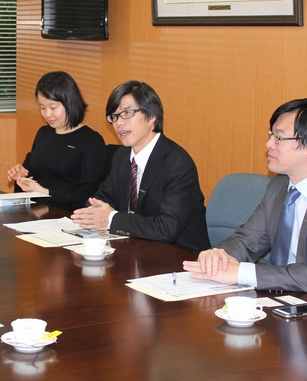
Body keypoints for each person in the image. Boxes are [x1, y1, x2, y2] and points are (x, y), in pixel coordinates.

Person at [183, 99, 307, 315]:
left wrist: (240, 272)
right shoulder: (279, 186)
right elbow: (247, 241)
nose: (269, 144)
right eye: (271, 135)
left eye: (279, 137)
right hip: (282, 301)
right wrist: (218, 255)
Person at [71, 80, 210, 253]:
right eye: (114, 116)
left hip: (179, 257)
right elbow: (101, 199)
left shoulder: (178, 164)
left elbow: (167, 229)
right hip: (136, 250)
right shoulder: (122, 156)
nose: (119, 123)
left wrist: (111, 218)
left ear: (152, 116)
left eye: (127, 113)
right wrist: (93, 211)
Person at [7, 71, 105, 211]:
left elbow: (88, 194)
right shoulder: (43, 133)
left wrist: (44, 192)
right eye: (42, 108)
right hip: (35, 210)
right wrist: (21, 175)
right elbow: (30, 172)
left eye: (53, 107)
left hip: (67, 215)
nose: (47, 114)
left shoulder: (91, 140)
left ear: (70, 103)